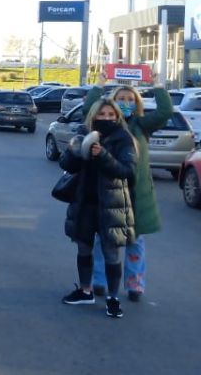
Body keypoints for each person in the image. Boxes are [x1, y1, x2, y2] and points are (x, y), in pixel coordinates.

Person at [83, 75, 170, 302]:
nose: (126, 102)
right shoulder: (108, 125)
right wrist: (99, 85)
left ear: (137, 103)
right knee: (104, 239)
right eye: (121, 98)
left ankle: (135, 285)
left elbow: (165, 112)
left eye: (130, 99)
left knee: (135, 240)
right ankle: (100, 282)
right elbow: (88, 110)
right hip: (111, 191)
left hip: (137, 193)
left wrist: (159, 86)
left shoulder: (141, 125)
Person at [60, 98, 136, 319]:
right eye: (101, 115)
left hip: (112, 204)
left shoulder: (123, 137)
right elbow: (65, 164)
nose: (106, 118)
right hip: (85, 202)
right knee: (83, 248)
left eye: (111, 115)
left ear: (117, 117)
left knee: (111, 252)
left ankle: (113, 298)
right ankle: (85, 290)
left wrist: (102, 155)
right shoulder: (83, 132)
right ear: (93, 115)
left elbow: (127, 171)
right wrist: (77, 151)